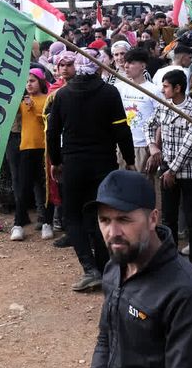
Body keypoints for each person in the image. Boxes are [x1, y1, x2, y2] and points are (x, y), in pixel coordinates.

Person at [84, 170, 192, 368]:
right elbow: (106, 337)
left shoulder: (191, 294)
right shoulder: (115, 267)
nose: (112, 232)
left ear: (153, 219)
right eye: (104, 220)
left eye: (124, 219)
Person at [47, 53, 136, 292]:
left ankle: (90, 269)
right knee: (100, 214)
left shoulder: (63, 95)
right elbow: (121, 129)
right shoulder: (109, 92)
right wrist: (129, 159)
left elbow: (52, 132)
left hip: (73, 164)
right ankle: (104, 268)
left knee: (73, 215)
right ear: (98, 68)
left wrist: (55, 161)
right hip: (103, 163)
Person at [146, 69, 192, 272]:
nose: (162, 90)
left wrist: (171, 170)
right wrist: (152, 146)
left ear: (178, 88)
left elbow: (189, 147)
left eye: (165, 86)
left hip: (190, 172)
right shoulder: (164, 106)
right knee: (169, 217)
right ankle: (170, 258)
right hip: (168, 169)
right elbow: (149, 124)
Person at [12, 70, 49, 241]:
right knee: (23, 187)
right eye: (27, 82)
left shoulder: (47, 100)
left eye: (32, 81)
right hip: (26, 149)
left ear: (41, 82)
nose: (29, 84)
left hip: (44, 149)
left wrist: (33, 108)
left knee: (45, 188)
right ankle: (18, 224)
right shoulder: (22, 102)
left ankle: (47, 222)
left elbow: (47, 121)